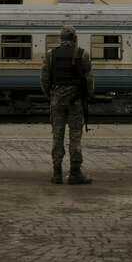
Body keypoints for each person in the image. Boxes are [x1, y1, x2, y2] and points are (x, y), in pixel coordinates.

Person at [41, 24, 94, 185]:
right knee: (75, 137)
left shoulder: (51, 54)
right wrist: (88, 96)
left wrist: (50, 95)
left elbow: (44, 79)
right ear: (75, 38)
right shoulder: (82, 54)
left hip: (57, 101)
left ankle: (57, 173)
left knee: (57, 137)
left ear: (61, 38)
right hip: (76, 102)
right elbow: (89, 79)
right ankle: (75, 173)